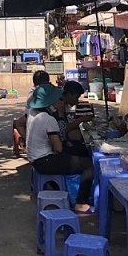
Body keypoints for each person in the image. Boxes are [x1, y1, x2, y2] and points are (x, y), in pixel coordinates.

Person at [26, 83, 94, 214]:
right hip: (45, 159)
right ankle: (81, 202)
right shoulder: (48, 119)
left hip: (35, 157)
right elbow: (58, 148)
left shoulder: (32, 112)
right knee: (89, 165)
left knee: (81, 150)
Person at [13, 70, 51, 155]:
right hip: (33, 114)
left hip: (43, 114)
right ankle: (27, 139)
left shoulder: (48, 89)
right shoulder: (33, 92)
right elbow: (30, 105)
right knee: (18, 123)